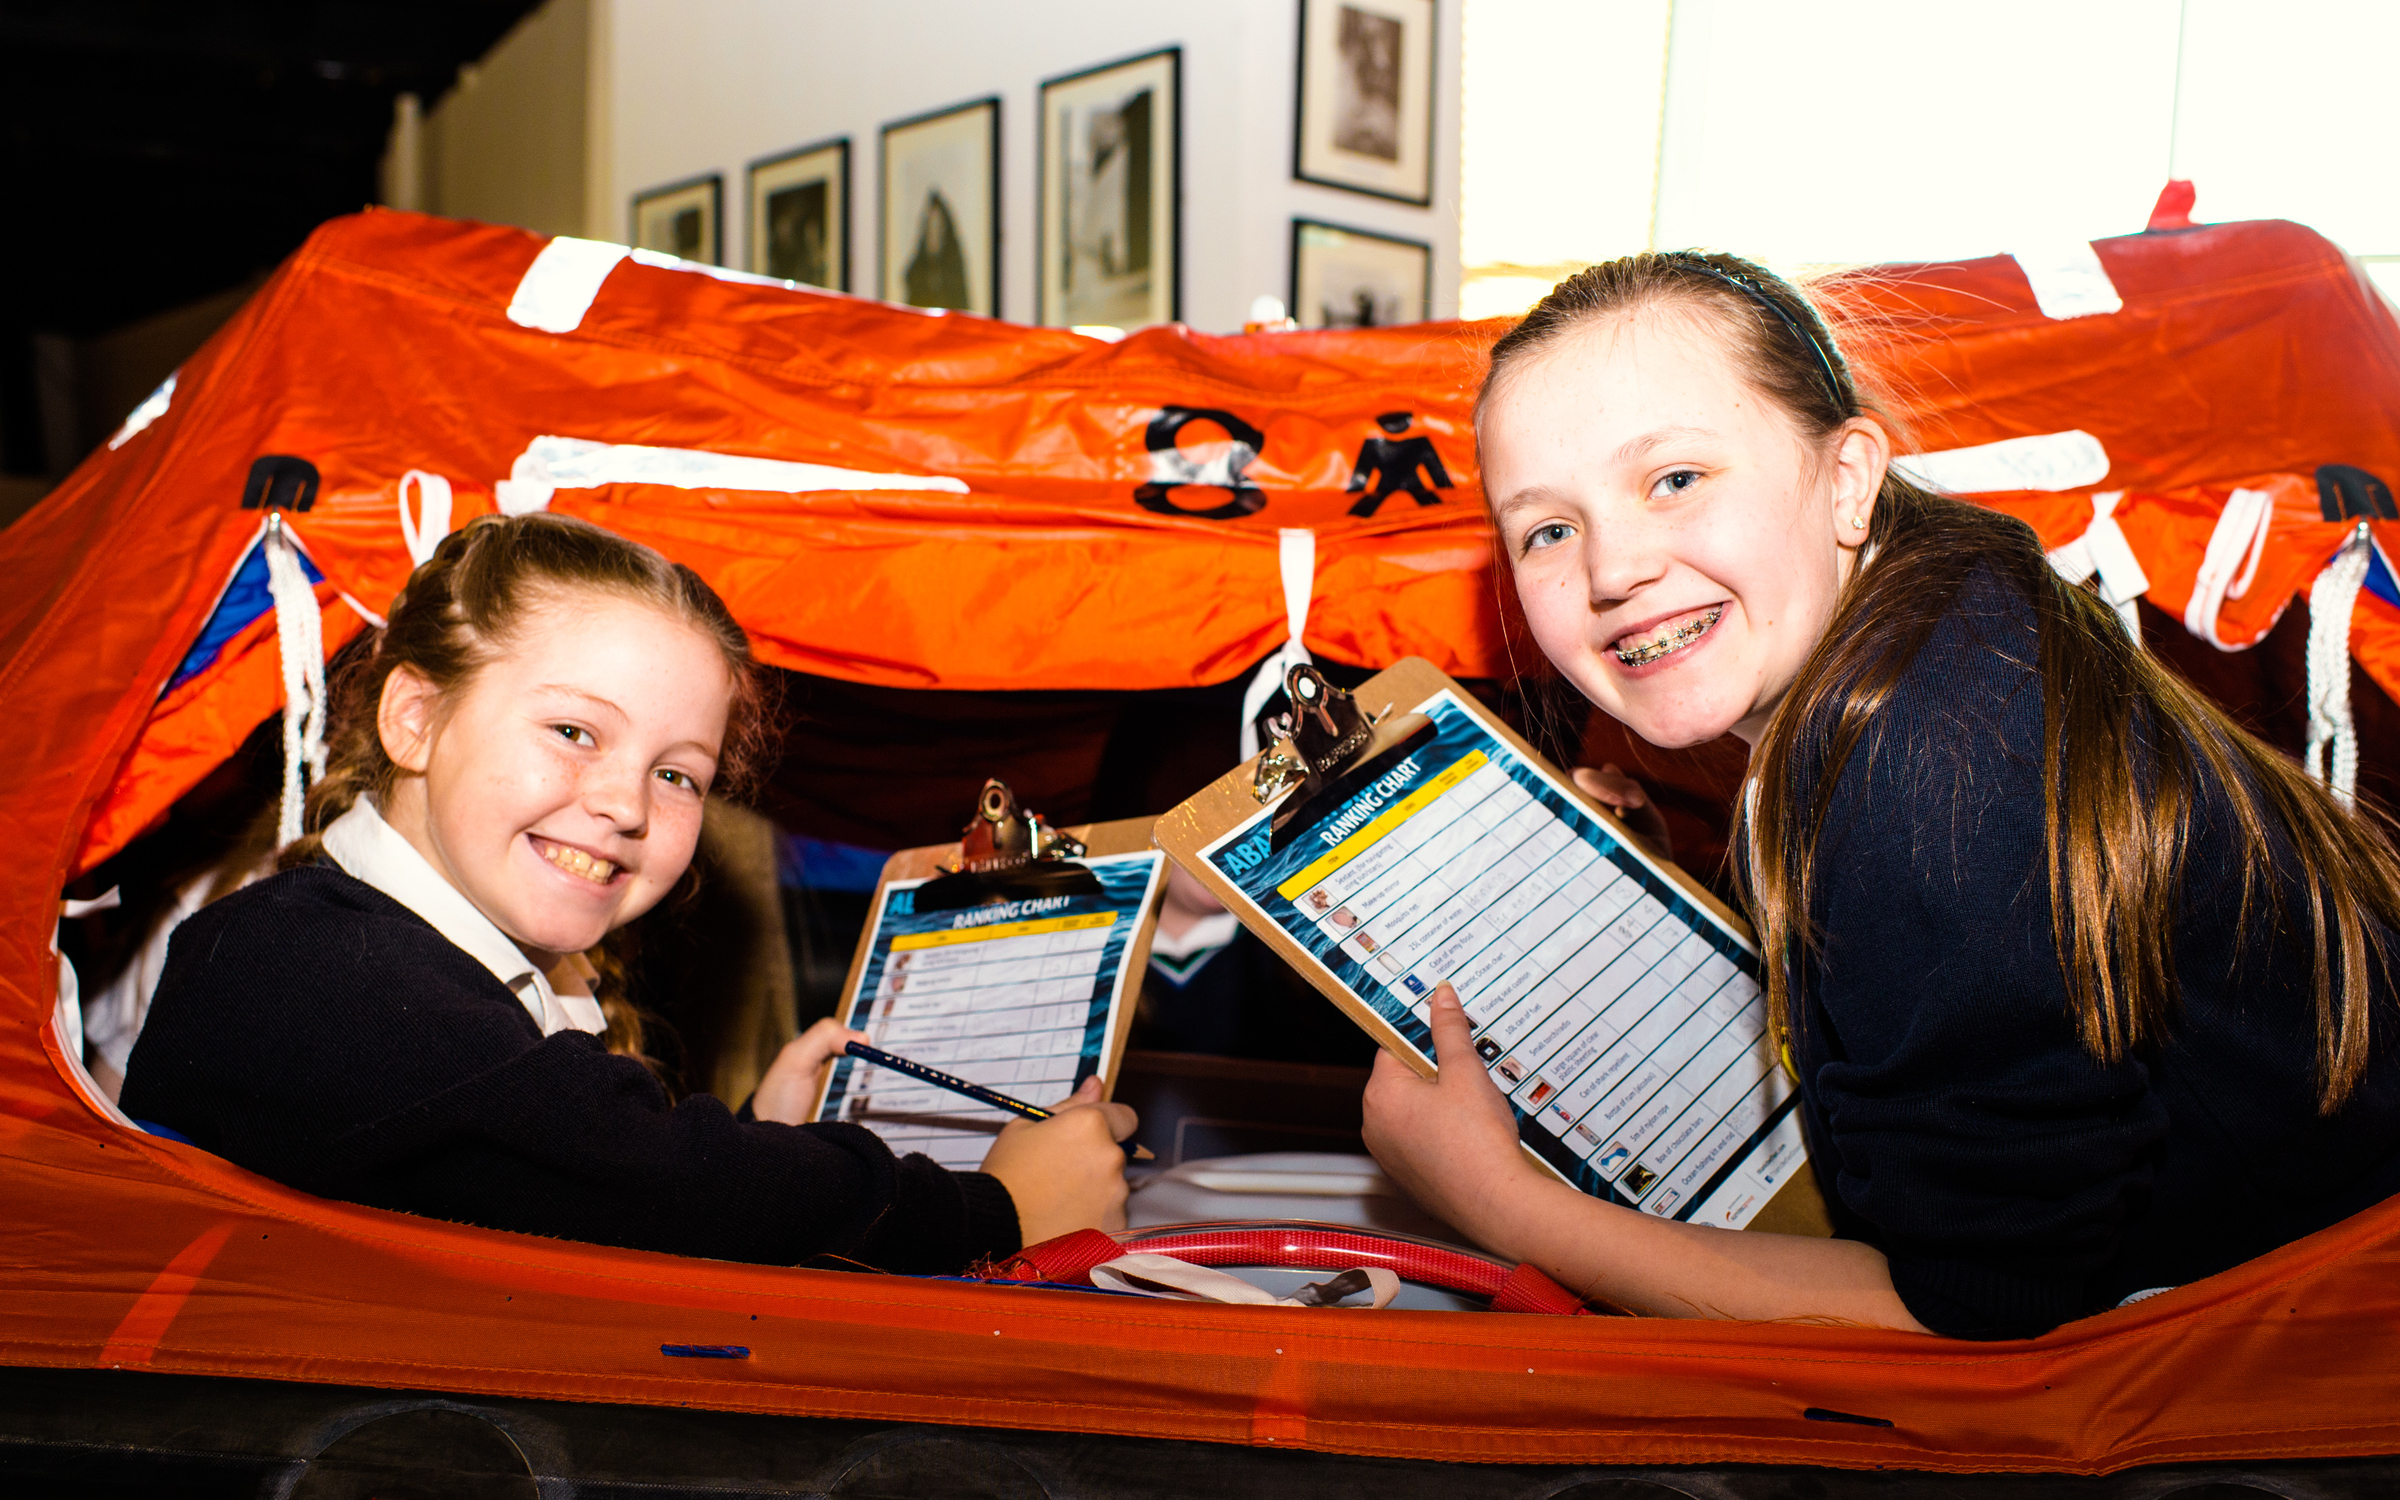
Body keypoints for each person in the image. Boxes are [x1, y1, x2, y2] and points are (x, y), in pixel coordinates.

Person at [1362, 251, 2400, 1339]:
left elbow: (1979, 1323)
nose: (1612, 568)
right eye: (1548, 530)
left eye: (1676, 478)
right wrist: (1655, 871)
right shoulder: (1939, 617)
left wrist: (1503, 1203)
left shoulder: (1937, 766)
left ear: (1850, 476)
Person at [123, 513, 1133, 1274]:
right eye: (574, 731)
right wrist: (999, 1210)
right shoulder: (307, 967)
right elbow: (646, 1181)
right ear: (416, 718)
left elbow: (568, 1186)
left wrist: (757, 1138)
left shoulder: (418, 977)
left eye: (678, 773)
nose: (625, 804)